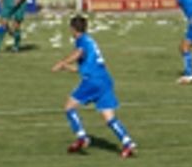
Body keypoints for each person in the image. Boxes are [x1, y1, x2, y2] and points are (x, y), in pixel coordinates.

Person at [51, 15, 136, 159]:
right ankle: (127, 142)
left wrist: (61, 62)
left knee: (69, 107)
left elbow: (79, 53)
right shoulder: (90, 41)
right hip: (105, 80)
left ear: (72, 29)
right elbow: (84, 66)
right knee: (109, 117)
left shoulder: (81, 41)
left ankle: (82, 137)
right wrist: (67, 67)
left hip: (92, 81)